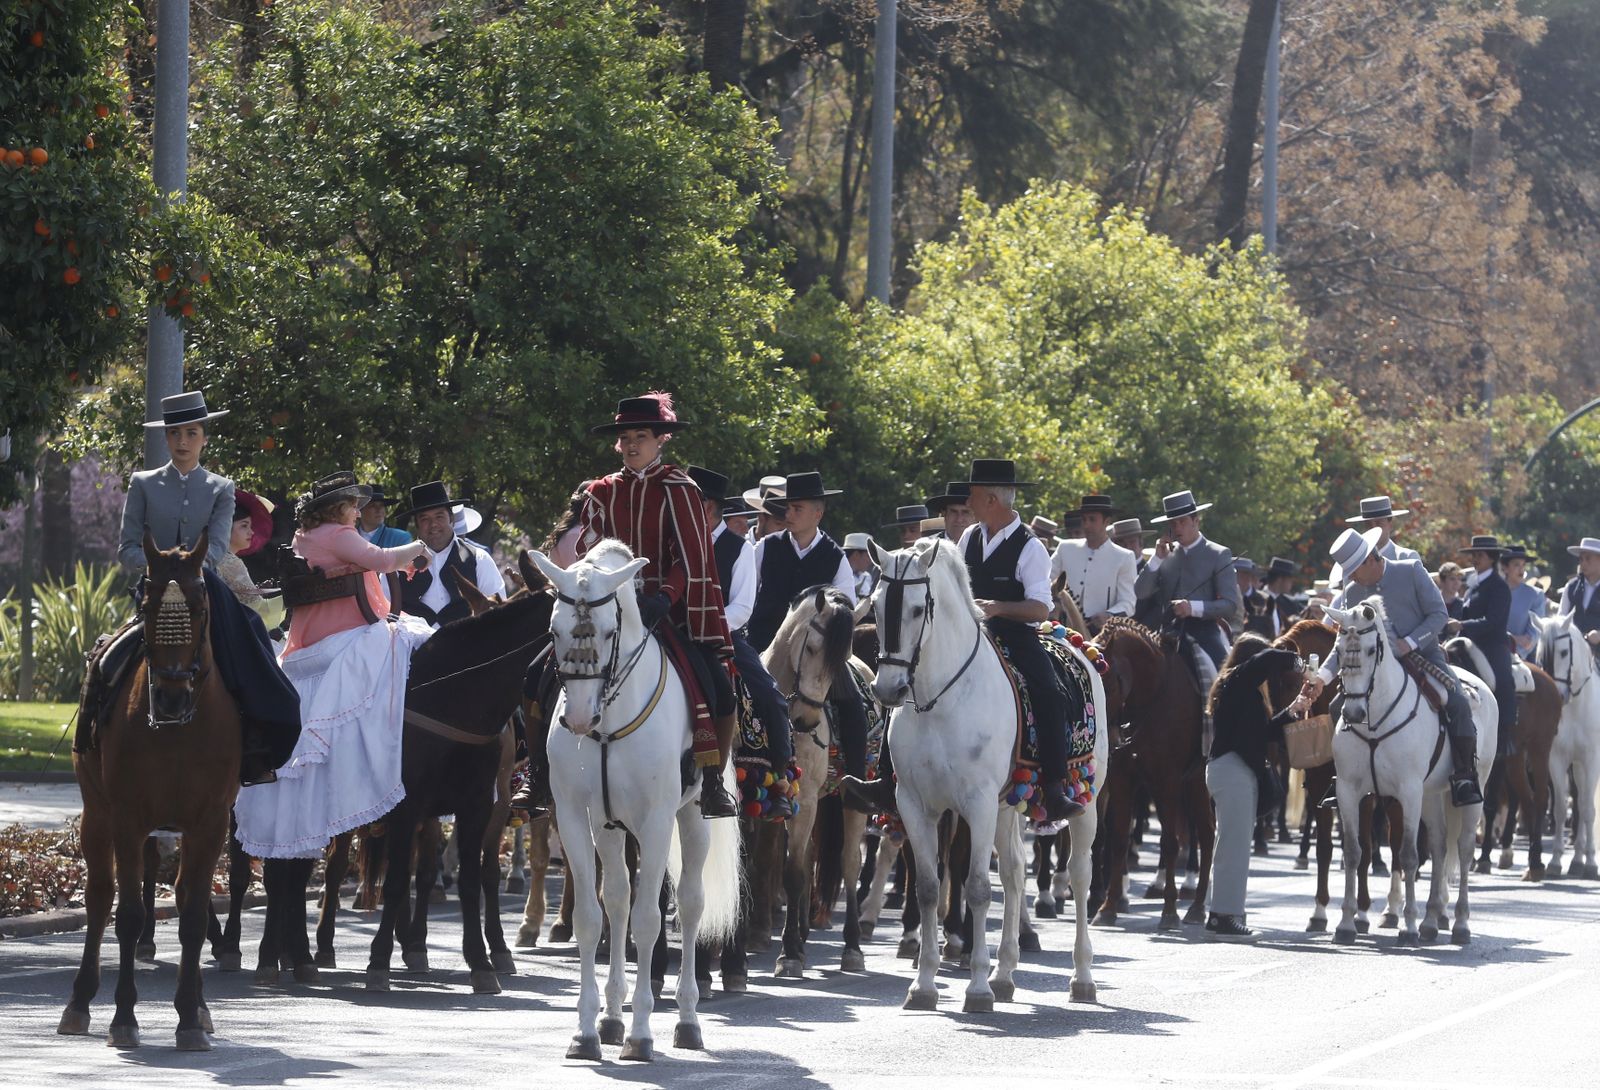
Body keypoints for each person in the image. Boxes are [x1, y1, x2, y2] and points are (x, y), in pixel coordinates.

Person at [83, 391, 300, 787]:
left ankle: (256, 744)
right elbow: (127, 548)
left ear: (204, 438)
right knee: (107, 659)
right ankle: (89, 734)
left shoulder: (222, 487)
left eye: (191, 433)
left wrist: (189, 568)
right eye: (175, 433)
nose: (183, 441)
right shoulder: (142, 484)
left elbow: (216, 547)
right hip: (154, 590)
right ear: (167, 437)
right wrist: (159, 566)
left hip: (204, 588)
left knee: (252, 635)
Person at [848, 460, 1083, 822]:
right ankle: (885, 781)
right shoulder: (970, 537)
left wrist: (998, 607)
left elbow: (1040, 608)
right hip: (963, 635)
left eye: (972, 495)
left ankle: (1054, 786)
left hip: (1015, 635)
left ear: (991, 499)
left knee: (1048, 689)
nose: (967, 503)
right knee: (908, 676)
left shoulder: (1030, 547)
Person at [234, 472, 432, 859]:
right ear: (337, 508)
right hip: (347, 636)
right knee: (416, 640)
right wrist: (418, 547)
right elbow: (382, 559)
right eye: (353, 506)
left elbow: (366, 564)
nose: (358, 512)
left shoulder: (304, 537)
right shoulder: (339, 535)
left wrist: (398, 561)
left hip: (307, 645)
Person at [569, 393, 739, 817]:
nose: (631, 445)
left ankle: (713, 780)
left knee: (719, 686)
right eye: (626, 438)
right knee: (540, 672)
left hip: (668, 613)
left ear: (660, 439)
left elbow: (691, 556)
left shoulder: (680, 489)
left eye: (640, 436)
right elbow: (587, 552)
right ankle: (538, 773)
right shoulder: (601, 492)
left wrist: (664, 596)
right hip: (608, 609)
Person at [1306, 526, 1482, 806]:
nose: (1351, 577)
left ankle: (1464, 775)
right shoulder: (1352, 591)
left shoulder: (1411, 570)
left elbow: (1438, 614)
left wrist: (1409, 642)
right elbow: (1344, 641)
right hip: (1373, 664)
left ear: (1369, 560)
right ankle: (1344, 778)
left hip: (1424, 654)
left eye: (1353, 570)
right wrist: (1322, 678)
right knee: (1336, 707)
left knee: (1457, 702)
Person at [745, 472, 872, 790]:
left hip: (818, 654)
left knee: (852, 704)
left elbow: (845, 616)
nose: (788, 514)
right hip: (762, 644)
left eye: (797, 508)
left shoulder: (836, 559)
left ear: (818, 513)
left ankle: (856, 784)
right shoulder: (764, 548)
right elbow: (746, 598)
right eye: (787, 508)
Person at [689, 466, 794, 818]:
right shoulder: (678, 541)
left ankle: (779, 778)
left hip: (724, 636)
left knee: (770, 696)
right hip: (676, 632)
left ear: (707, 506)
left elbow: (742, 608)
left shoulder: (740, 549)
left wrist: (706, 625)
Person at [1205, 633, 1308, 939]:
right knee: (1233, 848)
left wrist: (1292, 710)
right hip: (1232, 770)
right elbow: (1267, 659)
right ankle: (1223, 915)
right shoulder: (1237, 680)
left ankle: (1226, 911)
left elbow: (1264, 733)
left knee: (1233, 846)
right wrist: (1301, 664)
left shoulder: (1244, 691)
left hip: (1237, 771)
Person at [1135, 490, 1245, 706]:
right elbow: (1140, 592)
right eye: (1173, 524)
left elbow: (1230, 605)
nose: (1177, 528)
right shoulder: (1164, 555)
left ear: (1196, 520)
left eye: (1182, 522)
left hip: (1205, 633)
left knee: (1225, 685)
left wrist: (1192, 608)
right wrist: (1156, 559)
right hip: (1166, 634)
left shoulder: (1218, 553)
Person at [397, 481, 505, 627]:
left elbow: (498, 609)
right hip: (411, 641)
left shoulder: (479, 559)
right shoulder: (398, 562)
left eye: (439, 516)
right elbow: (383, 611)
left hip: (464, 639)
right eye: (425, 519)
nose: (433, 524)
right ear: (417, 524)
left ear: (452, 519)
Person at [1454, 535, 1516, 756]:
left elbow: (1493, 621)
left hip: (1493, 645)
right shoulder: (1472, 586)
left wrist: (1462, 625)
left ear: (1491, 558)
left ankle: (1505, 735)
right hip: (1468, 644)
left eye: (1479, 555)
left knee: (1503, 681)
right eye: (1473, 555)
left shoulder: (1499, 587)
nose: (1475, 559)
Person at [1050, 494, 1137, 629]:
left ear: (1106, 521)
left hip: (1101, 631)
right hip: (1062, 627)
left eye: (1092, 519)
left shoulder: (1124, 557)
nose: (1086, 525)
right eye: (1084, 519)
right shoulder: (1065, 548)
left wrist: (1109, 614)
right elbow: (1044, 580)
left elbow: (1128, 602)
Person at [217, 489, 286, 631]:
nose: (251, 532)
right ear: (226, 527)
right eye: (244, 525)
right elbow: (260, 612)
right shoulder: (230, 562)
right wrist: (291, 597)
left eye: (250, 526)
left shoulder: (218, 556)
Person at [1329, 495, 1420, 590]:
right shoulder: (1352, 562)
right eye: (1368, 524)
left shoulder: (1406, 557)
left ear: (1390, 524)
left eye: (1379, 523)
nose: (1373, 528)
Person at [1503, 545, 1545, 661]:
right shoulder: (1493, 592)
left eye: (1523, 565)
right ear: (1505, 568)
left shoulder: (1535, 595)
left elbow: (1531, 638)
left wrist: (1515, 655)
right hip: (1488, 652)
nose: (1521, 570)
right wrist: (1514, 638)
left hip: (1520, 659)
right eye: (1516, 565)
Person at [1557, 537, 1600, 645]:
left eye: (1588, 558)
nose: (1583, 563)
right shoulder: (1571, 586)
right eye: (1581, 559)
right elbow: (1561, 618)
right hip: (1572, 649)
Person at [843, 532, 880, 598]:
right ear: (856, 555)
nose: (871, 561)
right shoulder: (838, 575)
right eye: (868, 556)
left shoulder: (867, 576)